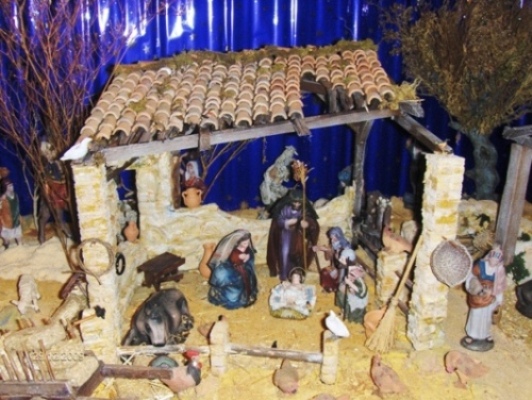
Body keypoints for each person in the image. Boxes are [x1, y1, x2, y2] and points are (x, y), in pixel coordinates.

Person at [461, 243, 507, 352]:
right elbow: (471, 277)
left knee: (487, 316)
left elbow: (499, 286)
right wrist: (476, 287)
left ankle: (485, 334)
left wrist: (499, 299)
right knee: (476, 314)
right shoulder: (480, 266)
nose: (493, 262)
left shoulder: (499, 270)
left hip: (490, 296)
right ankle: (472, 335)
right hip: (478, 294)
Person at [266, 189, 320, 281]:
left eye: (299, 203)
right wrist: (287, 222)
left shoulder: (304, 209)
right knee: (285, 252)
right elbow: (278, 221)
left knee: (298, 255)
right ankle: (284, 274)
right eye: (295, 202)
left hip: (298, 236)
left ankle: (296, 275)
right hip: (286, 235)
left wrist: (307, 223)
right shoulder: (284, 208)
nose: (297, 204)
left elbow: (312, 221)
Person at [208, 229, 258, 310]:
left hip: (243, 271)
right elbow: (228, 260)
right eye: (244, 243)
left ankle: (247, 296)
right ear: (237, 243)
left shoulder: (247, 249)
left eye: (248, 242)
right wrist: (239, 258)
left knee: (247, 284)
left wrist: (247, 258)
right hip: (233, 274)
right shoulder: (230, 250)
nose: (246, 245)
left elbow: (249, 257)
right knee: (234, 292)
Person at [314, 227, 356, 292]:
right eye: (331, 238)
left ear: (339, 237)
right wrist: (326, 250)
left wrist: (326, 249)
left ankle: (338, 288)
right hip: (336, 268)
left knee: (340, 279)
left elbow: (343, 262)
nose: (332, 241)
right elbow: (327, 258)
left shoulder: (346, 247)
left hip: (344, 269)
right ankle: (330, 287)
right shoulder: (334, 246)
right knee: (324, 272)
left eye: (334, 238)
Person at [0, 178, 22, 248]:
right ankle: (6, 246)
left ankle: (20, 247)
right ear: (4, 187)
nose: (11, 187)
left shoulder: (15, 195)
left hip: (16, 221)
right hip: (6, 223)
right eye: (9, 186)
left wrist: (19, 216)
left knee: (18, 236)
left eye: (11, 185)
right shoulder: (2, 199)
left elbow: (17, 207)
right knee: (6, 239)